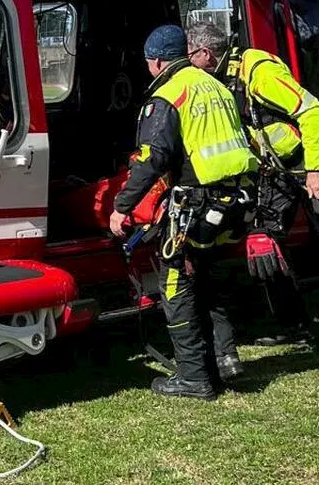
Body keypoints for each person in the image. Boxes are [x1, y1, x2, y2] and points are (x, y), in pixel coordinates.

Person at [186, 22, 319, 357]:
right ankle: (294, 327)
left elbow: (310, 110)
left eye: (190, 56)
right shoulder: (221, 77)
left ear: (205, 53)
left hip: (313, 166)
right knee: (265, 245)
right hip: (276, 172)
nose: (188, 63)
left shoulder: (258, 70)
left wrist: (315, 171)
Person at [110, 24, 259, 401]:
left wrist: (121, 208)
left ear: (156, 60)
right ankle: (224, 360)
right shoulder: (216, 85)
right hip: (237, 201)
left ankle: (193, 376)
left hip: (199, 201)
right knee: (208, 279)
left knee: (175, 284)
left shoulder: (168, 95)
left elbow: (150, 159)